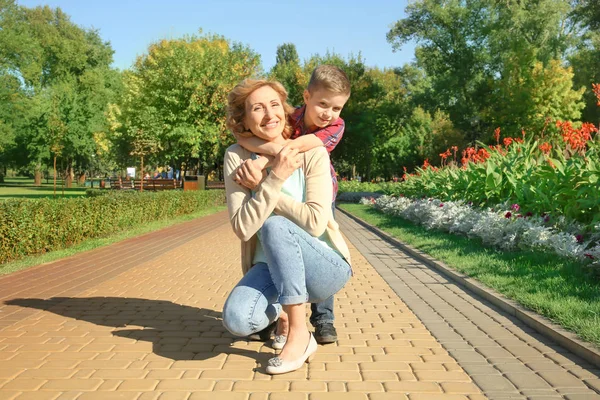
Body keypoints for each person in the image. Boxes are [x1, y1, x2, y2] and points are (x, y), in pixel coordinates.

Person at [221, 79, 352, 375]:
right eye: (257, 108)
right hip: (269, 267)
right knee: (237, 321)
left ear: (285, 109)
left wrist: (269, 184)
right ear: (243, 118)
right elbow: (242, 228)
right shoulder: (237, 156)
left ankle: (299, 333)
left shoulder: (312, 152)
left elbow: (315, 223)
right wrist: (274, 178)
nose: (269, 115)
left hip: (323, 265)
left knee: (275, 226)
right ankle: (280, 315)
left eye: (274, 105)